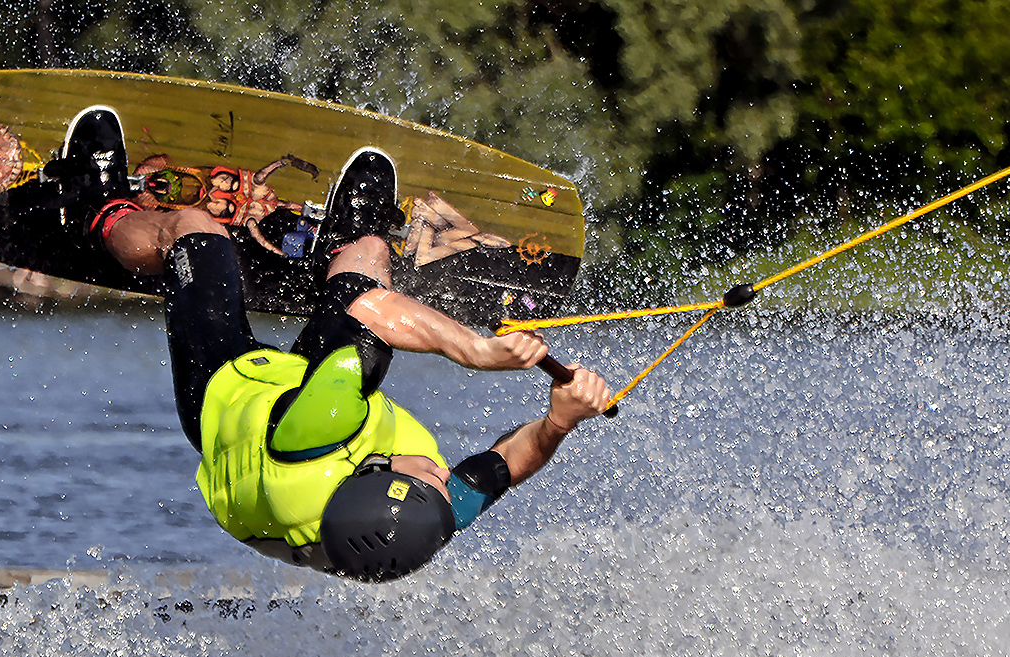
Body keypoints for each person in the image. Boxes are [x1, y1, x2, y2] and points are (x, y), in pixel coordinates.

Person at [52, 106, 610, 581]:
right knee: (366, 252)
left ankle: (94, 210)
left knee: (197, 231)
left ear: (375, 472)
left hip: (223, 398)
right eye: (443, 487)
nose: (445, 472)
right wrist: (561, 420)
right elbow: (508, 462)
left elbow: (371, 311)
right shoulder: (407, 526)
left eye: (431, 477)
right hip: (278, 462)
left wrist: (475, 350)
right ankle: (345, 243)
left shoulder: (321, 428)